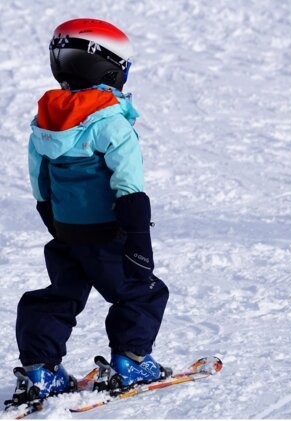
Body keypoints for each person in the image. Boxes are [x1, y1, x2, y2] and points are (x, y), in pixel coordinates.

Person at [9, 18, 170, 405]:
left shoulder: (45, 121)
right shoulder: (111, 122)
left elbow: (39, 178)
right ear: (111, 69)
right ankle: (131, 361)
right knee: (142, 293)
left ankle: (40, 370)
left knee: (57, 296)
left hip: (66, 231)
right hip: (109, 234)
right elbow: (129, 185)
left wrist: (54, 219)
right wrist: (136, 240)